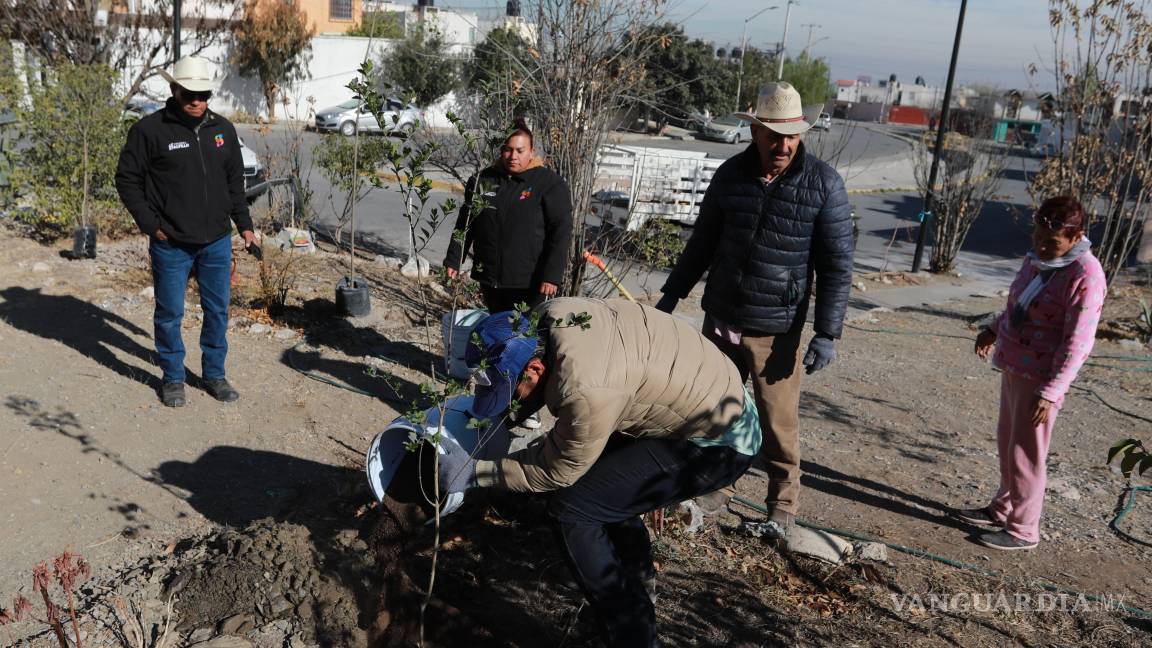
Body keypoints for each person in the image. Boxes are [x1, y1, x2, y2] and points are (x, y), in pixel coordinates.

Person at [433, 298, 761, 647]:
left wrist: (478, 472)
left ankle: (631, 635)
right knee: (606, 494)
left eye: (510, 391)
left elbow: (558, 470)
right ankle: (637, 586)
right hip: (705, 397)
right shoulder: (552, 315)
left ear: (534, 369)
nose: (512, 402)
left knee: (574, 508)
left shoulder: (586, 388)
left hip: (721, 443)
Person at [655, 82, 855, 539]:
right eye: (773, 135)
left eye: (792, 136)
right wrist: (673, 293)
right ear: (756, 133)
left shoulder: (824, 184)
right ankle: (716, 490)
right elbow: (702, 242)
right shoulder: (731, 176)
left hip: (776, 328)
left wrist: (827, 332)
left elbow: (837, 265)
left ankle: (782, 506)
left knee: (777, 422)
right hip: (722, 314)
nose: (783, 145)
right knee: (718, 411)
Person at [954, 197, 1106, 551]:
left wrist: (1052, 390)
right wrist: (994, 328)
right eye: (1037, 237)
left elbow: (1078, 342)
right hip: (1015, 364)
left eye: (1051, 242)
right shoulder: (1039, 260)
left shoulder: (1085, 274)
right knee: (1008, 441)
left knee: (1027, 452)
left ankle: (1023, 529)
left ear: (1076, 236)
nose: (1041, 246)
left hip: (1041, 378)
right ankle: (1003, 507)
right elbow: (1019, 301)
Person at [115, 56, 257, 407]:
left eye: (204, 94)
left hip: (216, 243)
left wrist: (246, 228)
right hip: (171, 244)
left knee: (218, 311)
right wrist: (152, 225)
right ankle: (173, 378)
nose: (197, 101)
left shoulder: (223, 130)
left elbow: (234, 185)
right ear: (174, 90)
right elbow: (127, 179)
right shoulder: (149, 130)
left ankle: (214, 374)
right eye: (189, 94)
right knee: (169, 314)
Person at [442, 120, 573, 313]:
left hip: (529, 283)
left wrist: (551, 275)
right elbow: (466, 223)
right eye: (508, 150)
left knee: (521, 337)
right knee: (497, 331)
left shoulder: (548, 184)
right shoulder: (483, 180)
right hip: (490, 279)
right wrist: (454, 258)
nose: (513, 156)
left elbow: (560, 232)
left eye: (520, 151)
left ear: (532, 151)